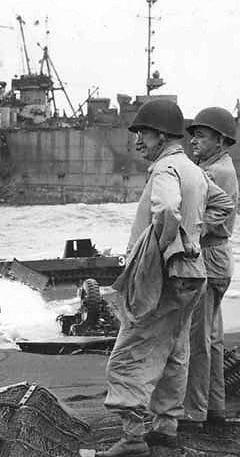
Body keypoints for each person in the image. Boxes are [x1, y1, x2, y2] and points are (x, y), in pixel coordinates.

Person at [97, 99, 234, 457]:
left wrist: (169, 248)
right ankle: (165, 430)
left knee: (129, 352)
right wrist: (194, 239)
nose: (138, 140)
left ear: (160, 135)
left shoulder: (165, 170)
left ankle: (131, 440)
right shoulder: (193, 169)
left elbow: (167, 210)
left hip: (164, 275)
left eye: (142, 133)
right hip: (195, 274)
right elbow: (224, 206)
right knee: (176, 350)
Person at [183, 107, 239, 428]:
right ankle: (214, 407)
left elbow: (197, 217)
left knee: (198, 339)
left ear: (220, 139)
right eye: (193, 135)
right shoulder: (219, 166)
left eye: (201, 136)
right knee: (213, 338)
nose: (194, 141)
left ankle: (194, 412)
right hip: (218, 258)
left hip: (208, 258)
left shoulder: (214, 173)